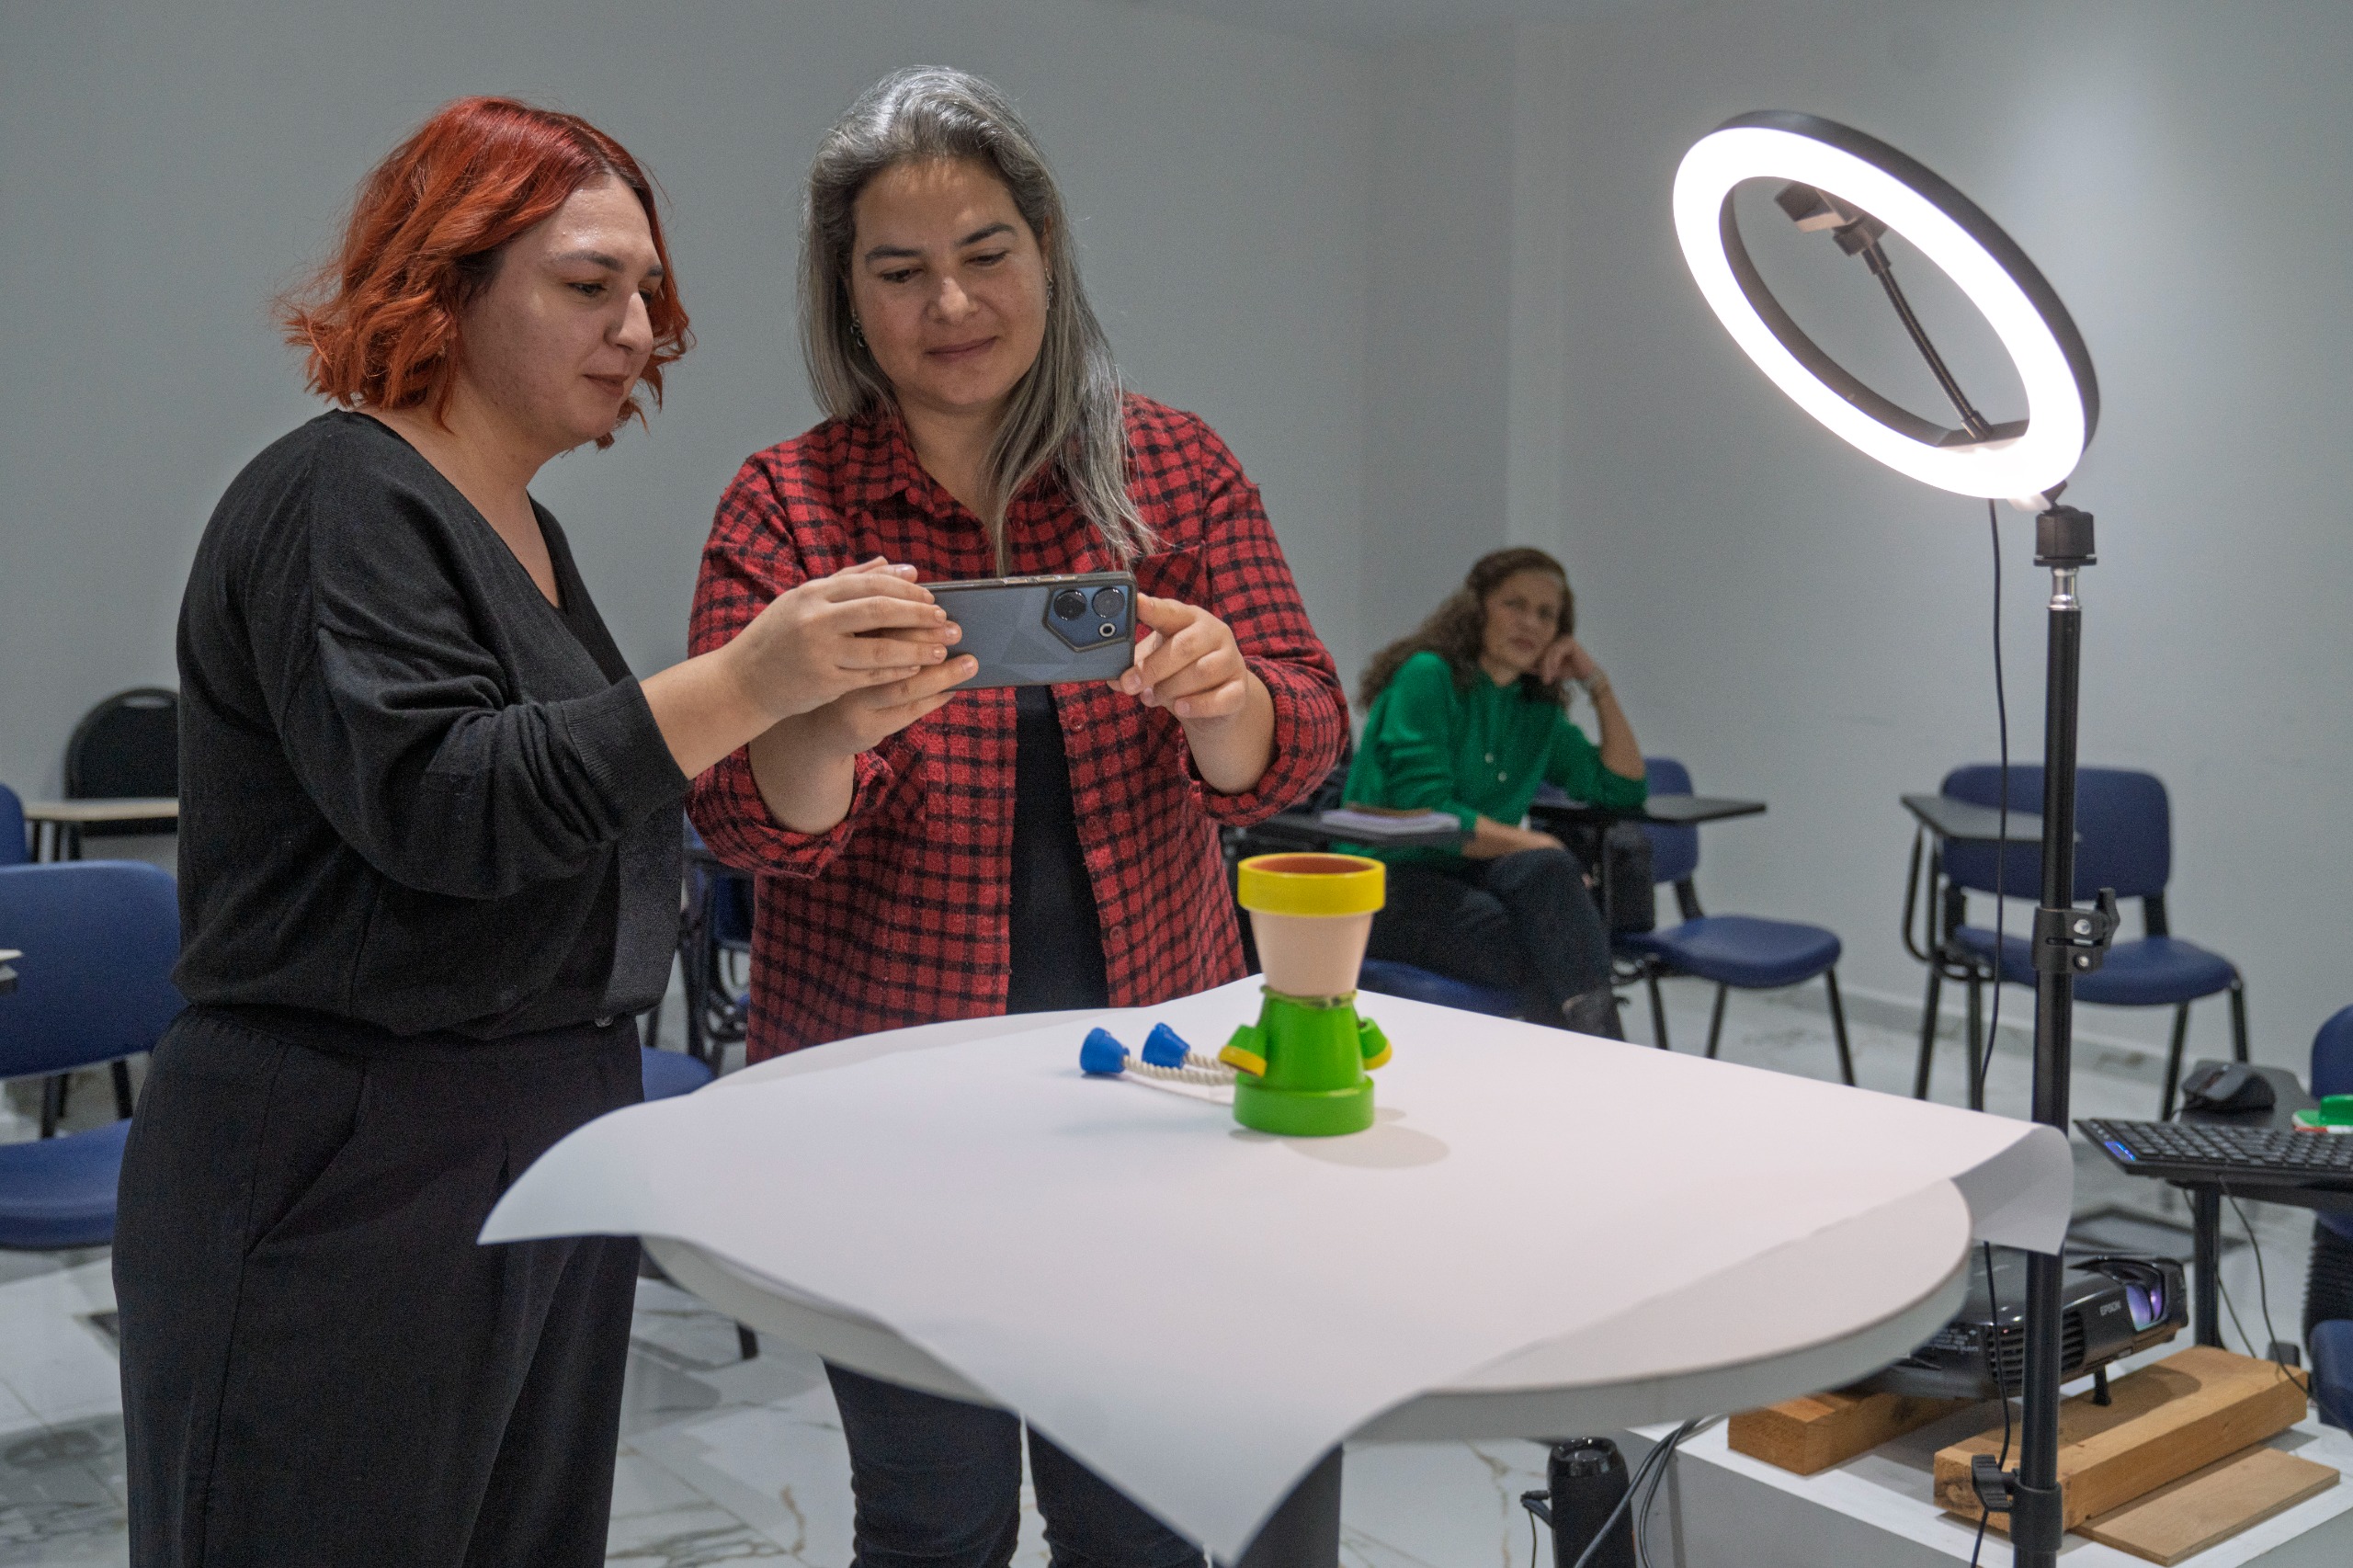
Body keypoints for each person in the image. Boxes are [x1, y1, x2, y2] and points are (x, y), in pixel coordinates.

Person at [112, 97, 951, 1568]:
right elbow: (453, 806)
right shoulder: (338, 490)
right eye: (587, 285)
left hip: (538, 1111)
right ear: (442, 283)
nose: (637, 329)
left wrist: (815, 721)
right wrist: (749, 674)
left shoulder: (523, 532)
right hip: (355, 1134)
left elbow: (588, 800)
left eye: (647, 295)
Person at [688, 66, 1346, 1568]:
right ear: (845, 295)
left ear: (1047, 250)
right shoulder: (786, 506)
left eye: (987, 254)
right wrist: (822, 726)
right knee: (932, 1516)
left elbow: (1300, 743)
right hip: (890, 1114)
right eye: (900, 272)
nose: (951, 306)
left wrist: (1221, 695)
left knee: (1145, 1512)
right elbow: (743, 824)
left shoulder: (1171, 465)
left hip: (1152, 1090)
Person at [1346, 547, 1646, 1036]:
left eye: (1546, 614)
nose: (1530, 623)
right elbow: (1428, 814)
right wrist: (1534, 840)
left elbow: (1622, 787)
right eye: (1515, 604)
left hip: (1468, 878)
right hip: (1382, 882)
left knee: (1548, 880)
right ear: (1478, 608)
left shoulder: (1537, 709)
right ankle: (1606, 1062)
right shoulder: (1429, 676)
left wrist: (1597, 684)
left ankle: (1590, 1069)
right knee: (1550, 943)